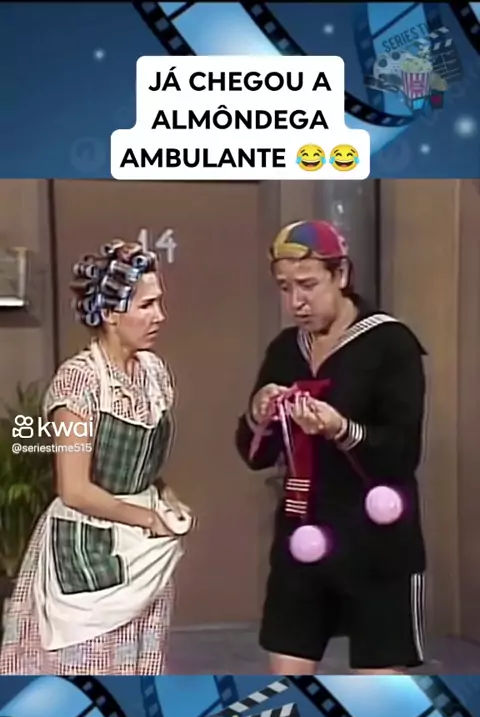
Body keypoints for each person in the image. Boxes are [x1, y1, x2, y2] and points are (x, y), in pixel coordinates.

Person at [235, 220, 427, 676]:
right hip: (301, 536)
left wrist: (341, 429)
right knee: (285, 689)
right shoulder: (286, 349)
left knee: (378, 698)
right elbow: (254, 455)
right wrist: (258, 416)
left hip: (377, 546)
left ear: (341, 275)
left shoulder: (390, 343)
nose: (295, 302)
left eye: (307, 285)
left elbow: (401, 453)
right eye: (285, 288)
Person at [0, 239, 193, 675]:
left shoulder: (153, 373)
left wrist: (165, 497)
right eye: (147, 305)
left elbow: (142, 464)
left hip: (144, 551)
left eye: (159, 303)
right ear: (110, 314)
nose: (160, 316)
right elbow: (74, 489)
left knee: (139, 670)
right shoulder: (79, 382)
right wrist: (147, 519)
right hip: (87, 545)